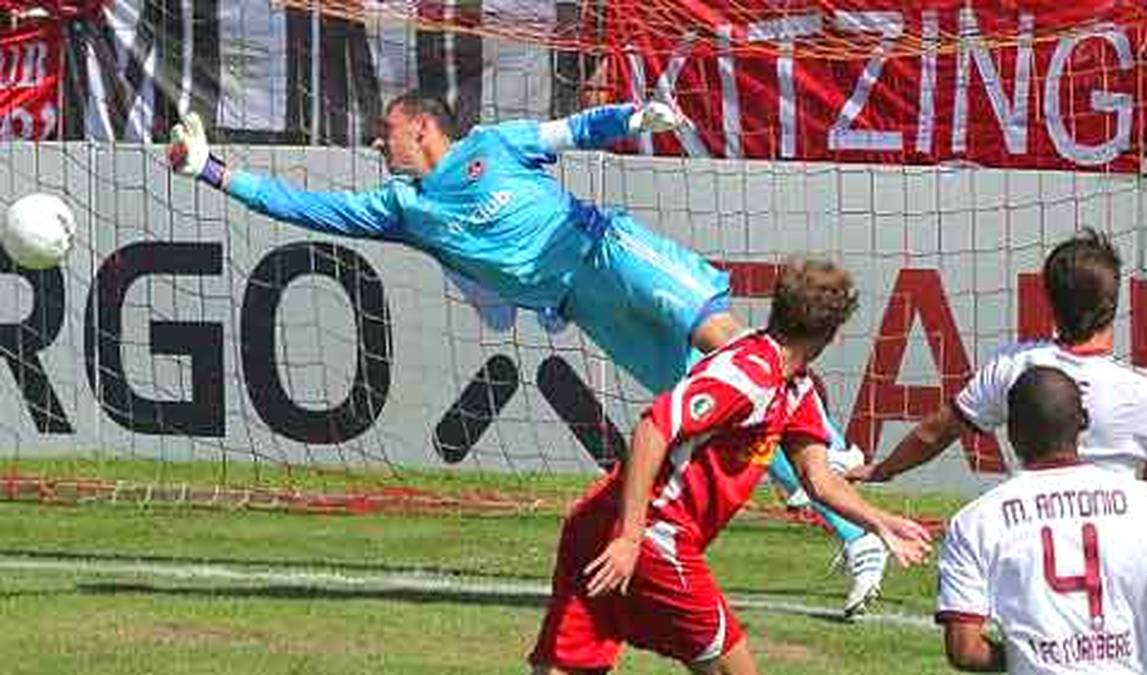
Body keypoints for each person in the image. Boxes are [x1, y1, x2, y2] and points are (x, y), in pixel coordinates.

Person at [168, 95, 890, 615]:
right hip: (586, 306)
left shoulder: (493, 144)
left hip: (612, 251)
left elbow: (574, 128)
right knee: (724, 413)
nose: (378, 144)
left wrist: (635, 117)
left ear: (422, 127)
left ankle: (829, 446)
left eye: (386, 132)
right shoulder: (403, 208)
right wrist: (209, 168)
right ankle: (858, 535)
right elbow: (302, 206)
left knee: (731, 346)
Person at [528, 258, 931, 674]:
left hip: (603, 521)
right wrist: (630, 537)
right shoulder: (747, 374)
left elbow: (818, 478)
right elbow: (654, 427)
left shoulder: (795, 387)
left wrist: (879, 522)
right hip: (653, 533)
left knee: (569, 666)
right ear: (831, 333)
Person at [850, 228, 1147, 670]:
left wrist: (884, 469)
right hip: (1126, 567)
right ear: (1114, 306)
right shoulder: (1143, 392)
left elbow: (936, 431)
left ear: (1050, 303)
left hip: (1034, 552)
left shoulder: (1015, 367)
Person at [936, 366, 1147, 674]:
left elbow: (965, 651)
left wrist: (1029, 660)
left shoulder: (973, 521)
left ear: (1010, 432)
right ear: (1084, 422)